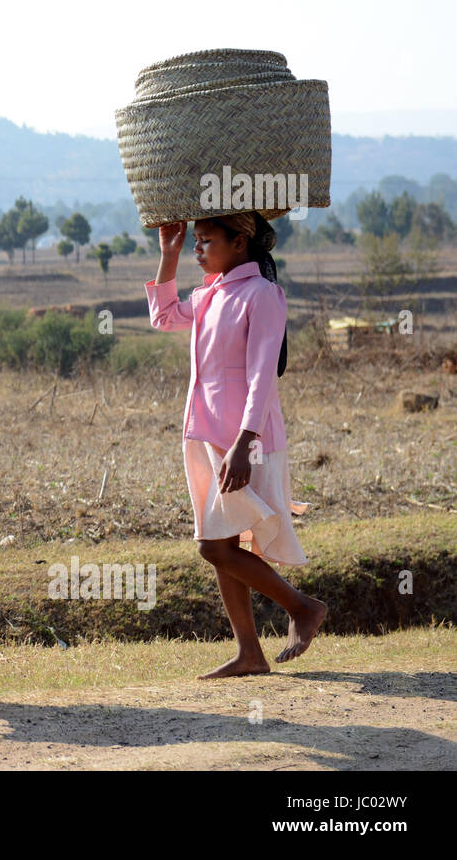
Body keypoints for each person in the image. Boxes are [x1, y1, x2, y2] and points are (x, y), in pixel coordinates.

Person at [147, 211, 327, 679]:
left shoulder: (262, 294)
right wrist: (167, 256)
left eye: (206, 241)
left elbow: (261, 373)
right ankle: (250, 653)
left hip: (244, 439)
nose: (197, 250)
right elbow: (164, 316)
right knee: (222, 541)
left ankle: (302, 607)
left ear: (241, 242)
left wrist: (246, 443)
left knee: (213, 546)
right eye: (196, 243)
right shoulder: (208, 293)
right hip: (205, 436)